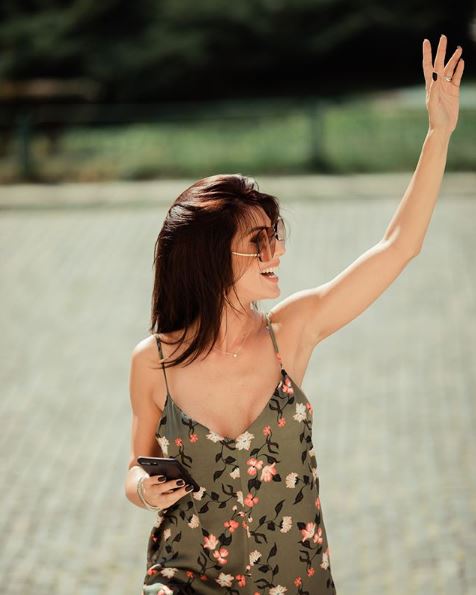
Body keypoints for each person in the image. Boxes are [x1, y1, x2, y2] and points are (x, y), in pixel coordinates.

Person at [125, 35, 464, 595]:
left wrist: (438, 133)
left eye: (275, 235)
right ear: (210, 259)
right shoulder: (153, 362)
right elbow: (136, 465)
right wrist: (143, 488)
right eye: (259, 241)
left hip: (295, 583)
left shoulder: (291, 332)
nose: (277, 251)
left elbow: (398, 246)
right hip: (186, 578)